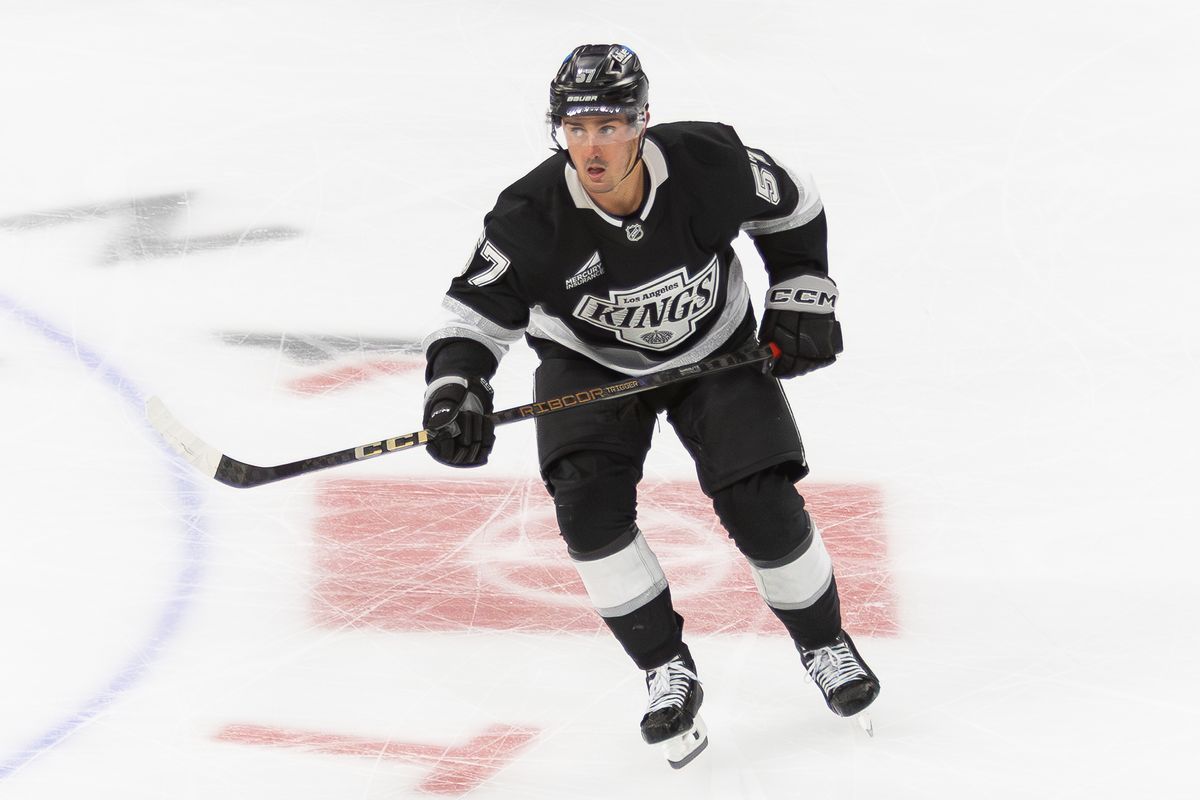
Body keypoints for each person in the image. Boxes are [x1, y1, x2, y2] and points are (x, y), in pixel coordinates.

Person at [421, 43, 879, 768]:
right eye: (575, 128)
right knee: (588, 512)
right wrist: (457, 391)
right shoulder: (529, 217)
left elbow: (795, 202)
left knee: (759, 497)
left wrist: (803, 288)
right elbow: (471, 320)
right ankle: (664, 668)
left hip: (715, 348)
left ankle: (825, 645)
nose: (591, 147)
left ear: (641, 122)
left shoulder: (708, 162)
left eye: (607, 126)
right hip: (588, 361)